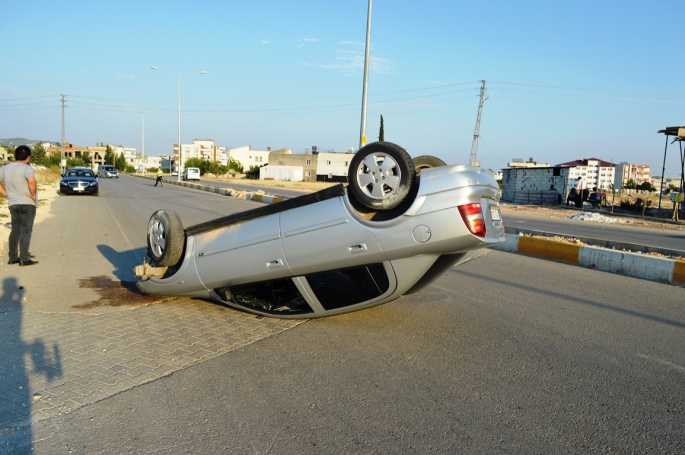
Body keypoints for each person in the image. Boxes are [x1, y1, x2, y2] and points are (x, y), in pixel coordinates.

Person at [0, 145, 39, 266]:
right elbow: (31, 181)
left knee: (15, 229)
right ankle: (24, 258)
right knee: (26, 231)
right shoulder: (26, 168)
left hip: (13, 203)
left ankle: (12, 257)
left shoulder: (5, 168)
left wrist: (6, 193)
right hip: (27, 203)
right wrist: (33, 195)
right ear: (28, 156)